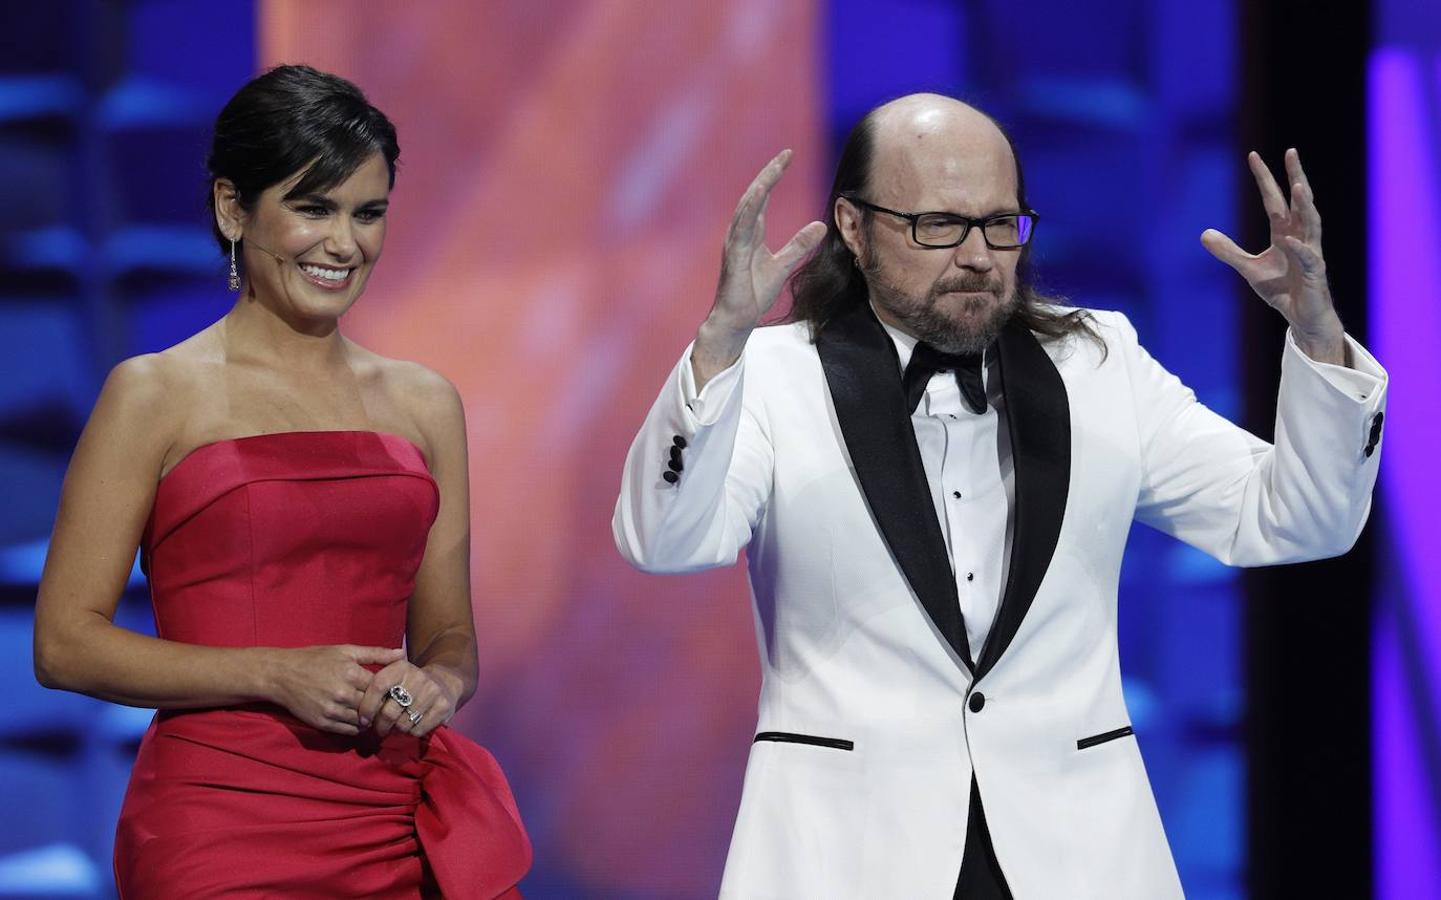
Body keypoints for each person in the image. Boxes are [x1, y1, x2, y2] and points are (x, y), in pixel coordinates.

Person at [613, 93, 1386, 898]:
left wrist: (1317, 339)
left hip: (1076, 857)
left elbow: (1298, 520)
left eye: (999, 224)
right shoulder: (773, 377)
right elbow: (664, 539)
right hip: (844, 855)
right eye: (939, 226)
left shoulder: (1100, 363)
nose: (978, 256)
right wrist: (717, 346)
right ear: (852, 225)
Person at [33, 65, 530, 899]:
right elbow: (63, 643)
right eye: (314, 208)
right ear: (234, 208)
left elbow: (449, 640)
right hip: (225, 824)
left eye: (367, 214)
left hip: (392, 818)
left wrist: (435, 683)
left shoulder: (424, 402)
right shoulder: (154, 393)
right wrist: (273, 672)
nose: (345, 244)